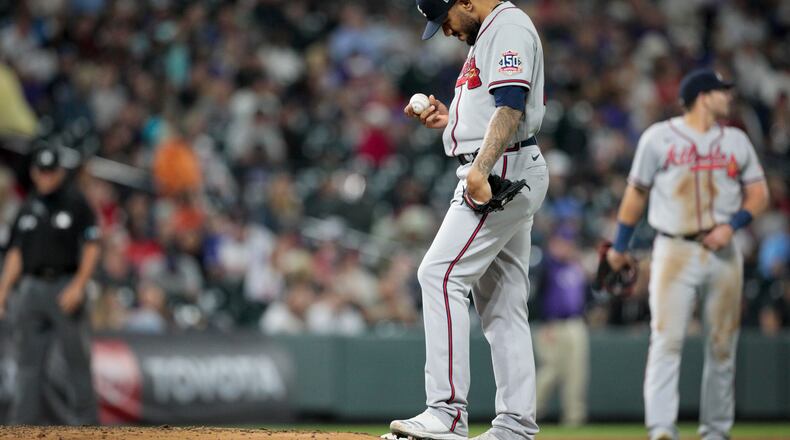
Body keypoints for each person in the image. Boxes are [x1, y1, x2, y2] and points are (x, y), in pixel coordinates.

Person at [386, 1, 548, 439]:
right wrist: (451, 118)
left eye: (446, 20)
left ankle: (447, 413)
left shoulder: (507, 25)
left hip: (500, 170)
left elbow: (512, 104)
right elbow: (491, 107)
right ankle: (515, 426)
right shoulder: (489, 30)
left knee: (438, 276)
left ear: (466, 2)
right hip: (507, 163)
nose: (446, 31)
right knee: (503, 304)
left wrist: (479, 169)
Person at [606, 69, 770, 440]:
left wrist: (734, 224)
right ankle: (662, 429)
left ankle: (716, 431)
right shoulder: (659, 138)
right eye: (721, 90)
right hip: (674, 249)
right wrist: (620, 246)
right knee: (666, 339)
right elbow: (635, 196)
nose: (728, 96)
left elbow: (759, 195)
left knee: (722, 344)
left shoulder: (737, 140)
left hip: (724, 251)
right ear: (701, 95)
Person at [0, 146, 101, 425]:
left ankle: (88, 429)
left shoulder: (74, 202)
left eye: (50, 172)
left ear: (59, 172)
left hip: (65, 285)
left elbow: (92, 245)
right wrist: (3, 291)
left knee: (76, 362)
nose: (45, 178)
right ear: (34, 173)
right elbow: (16, 252)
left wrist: (79, 285)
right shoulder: (28, 206)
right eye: (41, 172)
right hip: (31, 288)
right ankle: (22, 429)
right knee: (27, 366)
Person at [534, 226, 588, 427]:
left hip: (575, 324)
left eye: (569, 242)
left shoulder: (576, 267)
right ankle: (531, 412)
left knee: (576, 373)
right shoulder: (546, 266)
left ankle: (574, 418)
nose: (567, 246)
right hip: (552, 325)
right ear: (553, 243)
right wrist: (544, 322)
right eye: (563, 242)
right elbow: (537, 298)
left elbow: (586, 296)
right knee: (550, 371)